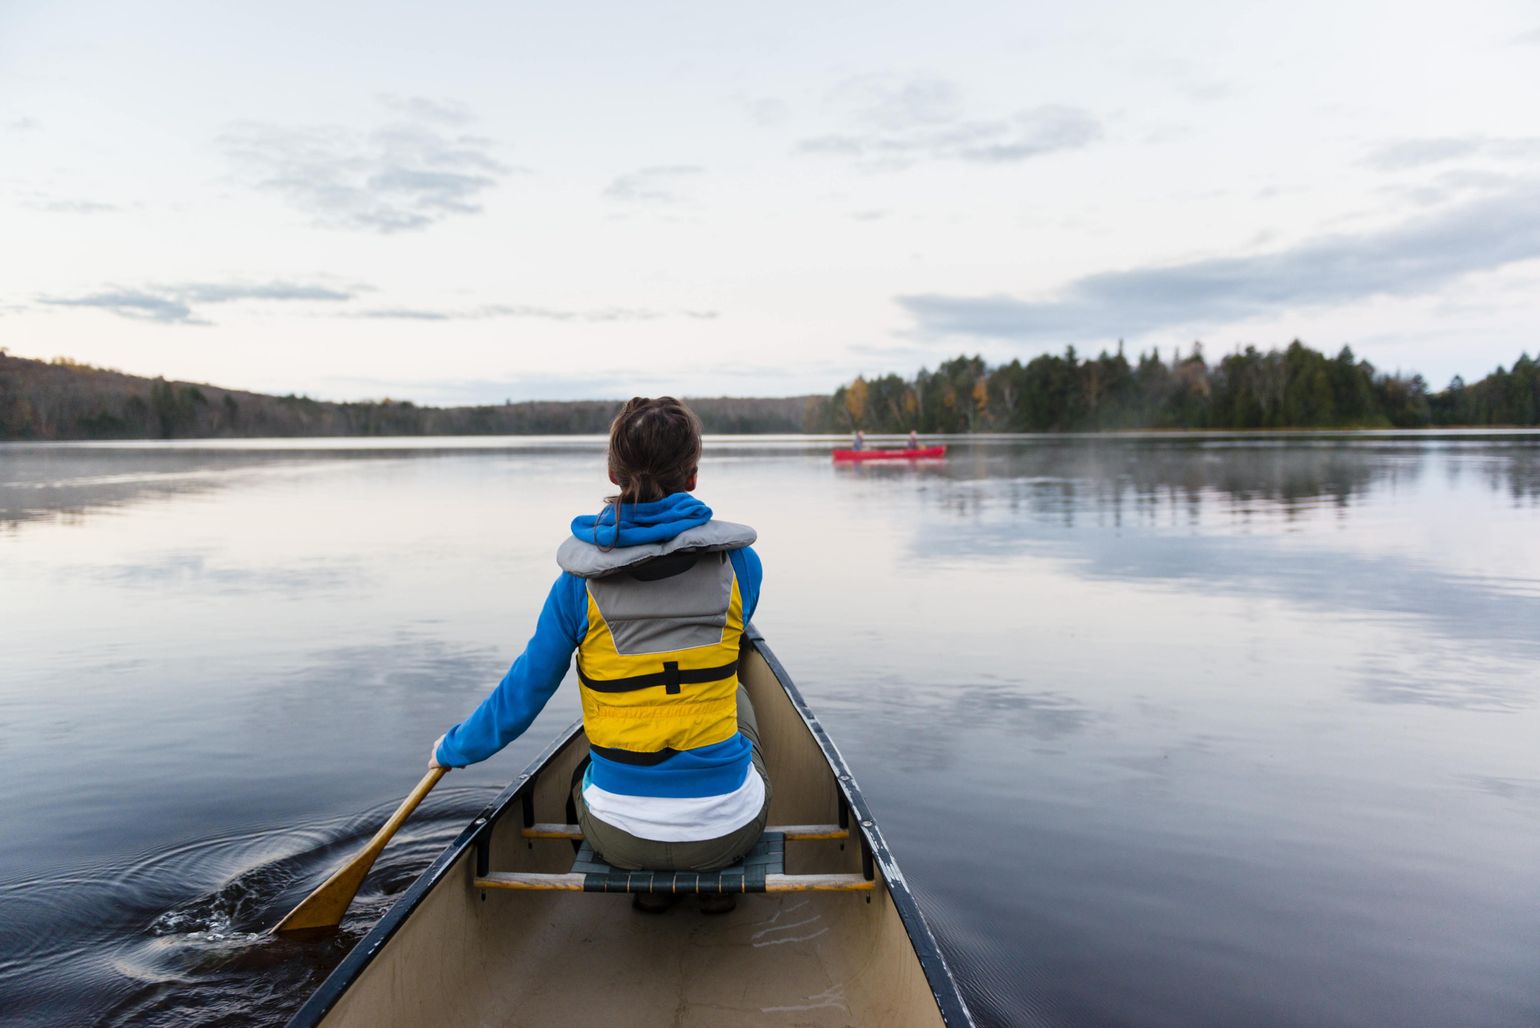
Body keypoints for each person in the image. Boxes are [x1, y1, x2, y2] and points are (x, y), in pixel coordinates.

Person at [428, 396, 769, 914]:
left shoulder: (575, 587)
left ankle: (643, 888)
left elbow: (522, 695)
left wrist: (453, 749)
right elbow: (732, 632)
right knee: (739, 697)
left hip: (619, 838)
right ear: (694, 476)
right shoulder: (742, 567)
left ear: (613, 471)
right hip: (727, 832)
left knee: (580, 774)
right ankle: (717, 887)